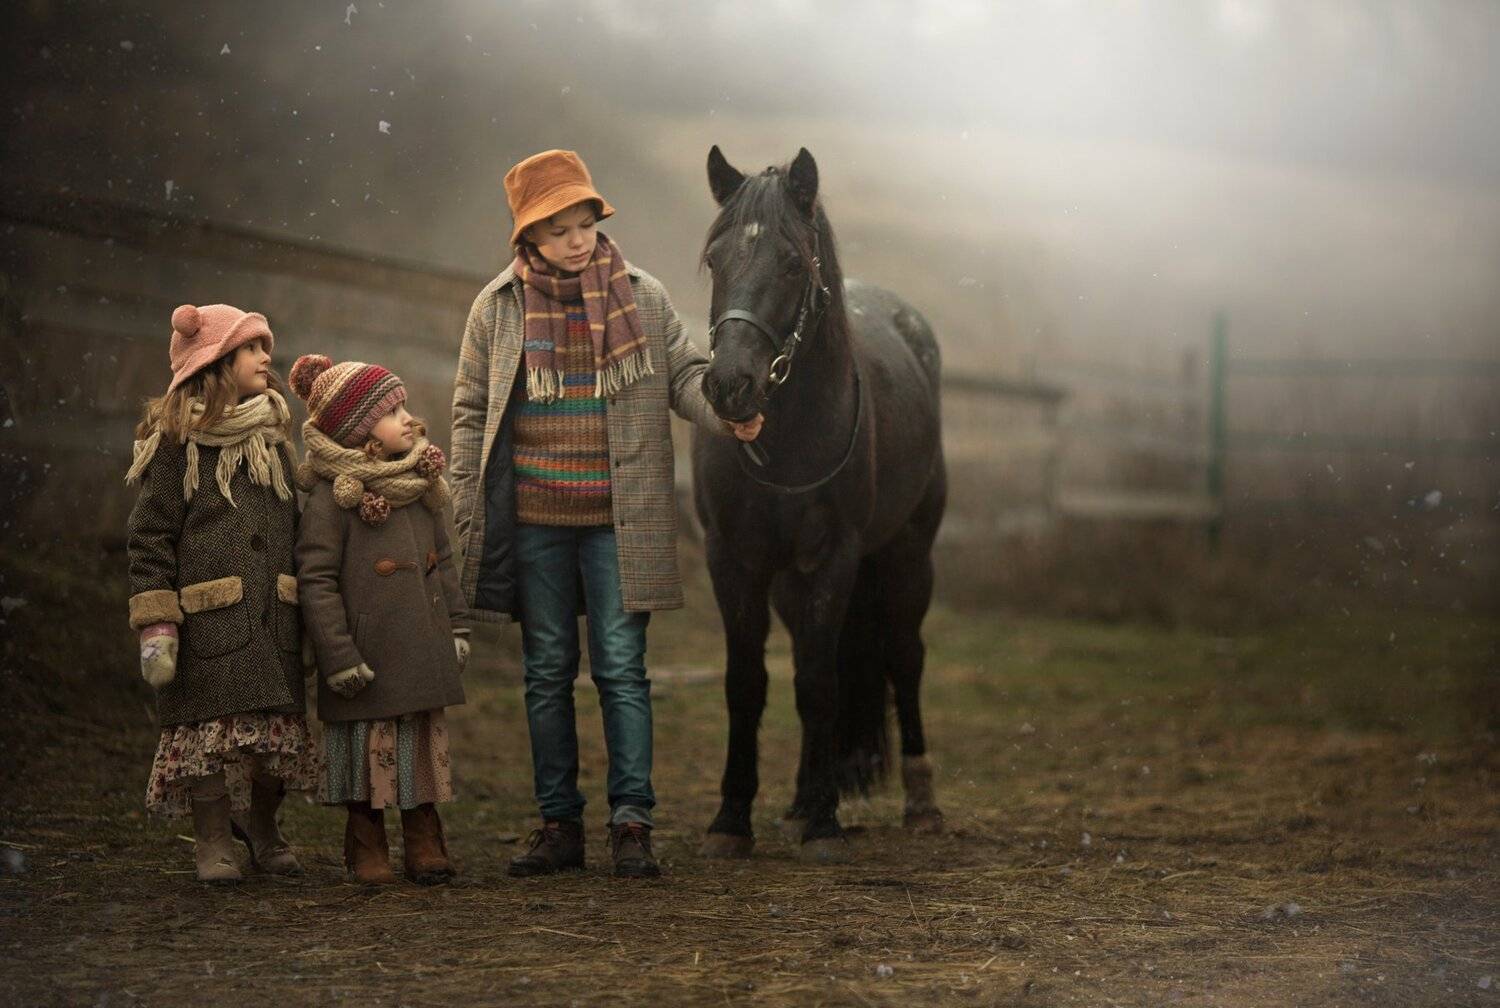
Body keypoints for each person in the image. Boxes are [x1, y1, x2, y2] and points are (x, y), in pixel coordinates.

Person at [450, 148, 761, 878]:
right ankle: (560, 826)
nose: (577, 240)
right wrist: (463, 501)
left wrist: (727, 416)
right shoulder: (496, 309)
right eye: (558, 229)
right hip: (534, 522)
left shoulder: (642, 296)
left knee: (622, 669)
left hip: (622, 521)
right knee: (547, 671)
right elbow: (471, 410)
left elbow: (685, 376)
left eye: (585, 222)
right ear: (526, 235)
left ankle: (632, 825)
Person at [126, 303, 318, 884]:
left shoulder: (275, 440)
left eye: (267, 347)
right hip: (211, 622)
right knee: (206, 741)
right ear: (214, 362)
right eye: (253, 349)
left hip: (273, 616)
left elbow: (296, 527)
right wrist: (158, 621)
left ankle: (263, 827)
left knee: (273, 744)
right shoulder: (177, 444)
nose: (267, 358)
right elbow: (150, 533)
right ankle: (212, 839)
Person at [291, 354, 469, 885]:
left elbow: (446, 562)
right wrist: (338, 655)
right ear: (363, 436)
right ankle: (365, 838)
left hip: (421, 643)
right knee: (363, 751)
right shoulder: (332, 499)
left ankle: (423, 836)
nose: (409, 420)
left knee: (416, 744)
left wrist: (457, 626)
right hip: (365, 653)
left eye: (406, 407)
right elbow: (315, 579)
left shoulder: (420, 484)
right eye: (394, 413)